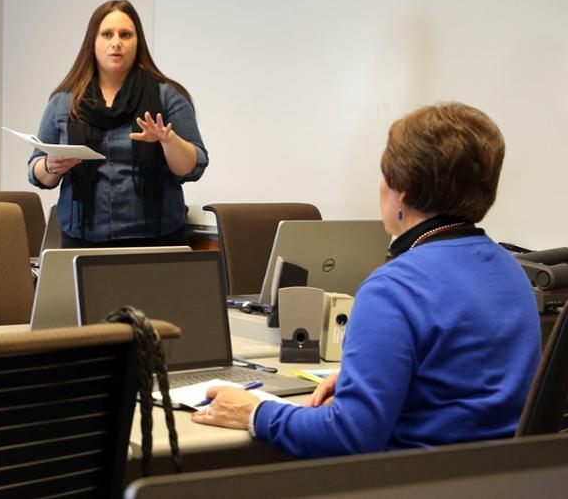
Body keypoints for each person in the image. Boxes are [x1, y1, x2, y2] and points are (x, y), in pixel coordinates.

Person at [192, 102, 540, 457]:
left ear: (401, 190)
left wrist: (255, 412)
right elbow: (466, 384)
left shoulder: (393, 288)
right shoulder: (510, 270)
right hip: (502, 478)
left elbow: (349, 436)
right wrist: (371, 378)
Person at [28, 0, 208, 247]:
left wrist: (169, 141)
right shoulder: (64, 101)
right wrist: (50, 165)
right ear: (93, 41)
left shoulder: (167, 96)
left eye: (126, 35)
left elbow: (193, 166)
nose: (116, 43)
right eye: (107, 34)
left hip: (156, 237)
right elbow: (36, 172)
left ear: (138, 42)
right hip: (82, 237)